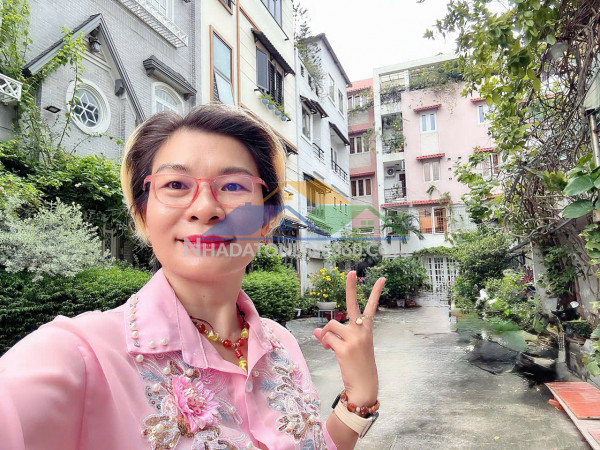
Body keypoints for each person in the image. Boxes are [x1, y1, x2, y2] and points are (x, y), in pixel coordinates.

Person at [0, 104, 385, 449]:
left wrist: (359, 398)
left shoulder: (280, 343)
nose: (205, 208)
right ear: (143, 214)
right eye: (175, 185)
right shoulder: (80, 357)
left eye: (233, 186)